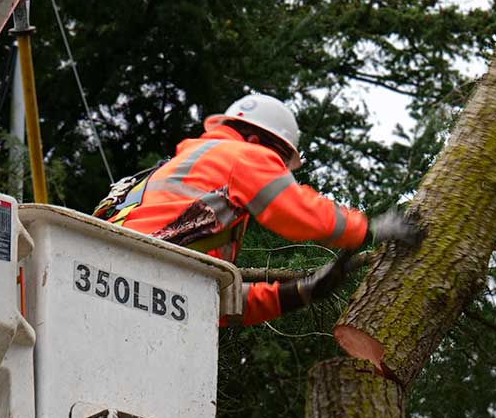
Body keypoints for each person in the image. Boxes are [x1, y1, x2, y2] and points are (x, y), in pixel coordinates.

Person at [96, 92, 424, 324]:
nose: (277, 172)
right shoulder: (243, 155)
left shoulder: (175, 180)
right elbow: (297, 212)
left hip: (108, 283)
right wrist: (367, 229)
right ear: (257, 143)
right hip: (138, 285)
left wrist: (299, 292)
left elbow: (207, 301)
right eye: (278, 164)